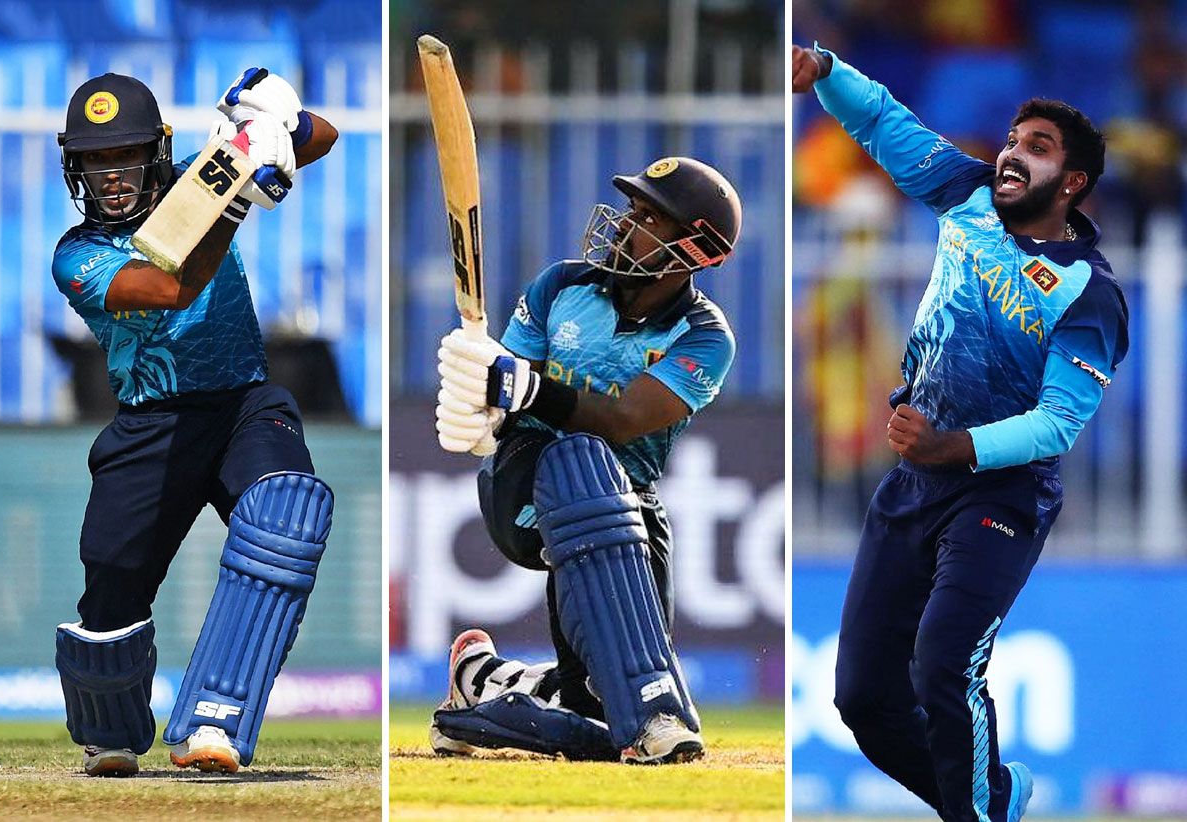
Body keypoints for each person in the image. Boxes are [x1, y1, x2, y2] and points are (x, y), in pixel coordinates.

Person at [792, 44, 1128, 821]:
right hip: (914, 482)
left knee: (944, 667)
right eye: (1013, 138)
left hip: (1000, 494)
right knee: (864, 703)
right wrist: (825, 70)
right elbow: (883, 123)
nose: (1012, 152)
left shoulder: (1089, 294)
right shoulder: (968, 194)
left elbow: (1057, 424)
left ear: (1072, 183)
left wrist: (953, 446)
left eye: (1037, 148)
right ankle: (993, 799)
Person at [51, 69, 338, 776]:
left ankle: (217, 717)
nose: (110, 175)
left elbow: (324, 137)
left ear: (157, 149)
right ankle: (111, 728)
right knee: (109, 603)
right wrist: (233, 194)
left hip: (244, 404)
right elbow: (169, 285)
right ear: (75, 167)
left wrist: (270, 125)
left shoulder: (200, 176)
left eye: (123, 155)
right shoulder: (77, 255)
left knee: (285, 517)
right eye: (94, 160)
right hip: (151, 426)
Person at [425, 157, 742, 764]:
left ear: (698, 250)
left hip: (628, 499)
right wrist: (476, 408)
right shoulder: (562, 285)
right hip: (525, 475)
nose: (626, 226)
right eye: (632, 210)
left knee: (610, 689)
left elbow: (623, 418)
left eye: (650, 218)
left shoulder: (705, 337)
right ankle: (626, 712)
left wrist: (524, 387)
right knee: (579, 460)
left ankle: (487, 684)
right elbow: (508, 396)